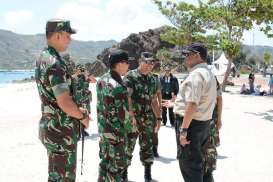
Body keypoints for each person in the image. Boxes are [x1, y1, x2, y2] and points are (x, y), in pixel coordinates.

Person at [35, 19, 90, 182]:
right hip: (60, 131)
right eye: (67, 35)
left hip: (52, 127)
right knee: (62, 178)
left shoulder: (43, 58)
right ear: (57, 35)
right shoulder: (55, 63)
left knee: (56, 176)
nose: (70, 39)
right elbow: (64, 102)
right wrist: (82, 117)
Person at [173, 42, 217, 182]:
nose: (185, 58)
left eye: (187, 55)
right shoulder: (208, 73)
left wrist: (184, 130)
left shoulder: (196, 75)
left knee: (189, 165)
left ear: (197, 55)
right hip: (203, 124)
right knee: (200, 163)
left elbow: (192, 104)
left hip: (191, 125)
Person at [125, 52, 161, 182]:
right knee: (129, 146)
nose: (149, 65)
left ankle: (147, 173)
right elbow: (127, 97)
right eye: (147, 62)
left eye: (152, 63)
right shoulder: (131, 76)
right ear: (140, 61)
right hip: (134, 117)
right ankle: (124, 174)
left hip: (148, 118)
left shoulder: (153, 79)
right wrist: (131, 116)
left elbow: (153, 100)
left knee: (147, 146)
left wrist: (158, 118)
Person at [96, 49, 131, 182]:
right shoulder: (118, 86)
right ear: (119, 64)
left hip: (103, 131)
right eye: (127, 62)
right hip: (116, 134)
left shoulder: (102, 80)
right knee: (116, 168)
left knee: (104, 164)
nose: (128, 66)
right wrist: (130, 129)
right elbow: (123, 116)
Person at [203, 77, 223, 182]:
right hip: (196, 122)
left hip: (211, 120)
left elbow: (219, 98)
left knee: (211, 149)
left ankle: (209, 175)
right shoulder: (192, 76)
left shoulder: (212, 79)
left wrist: (219, 119)